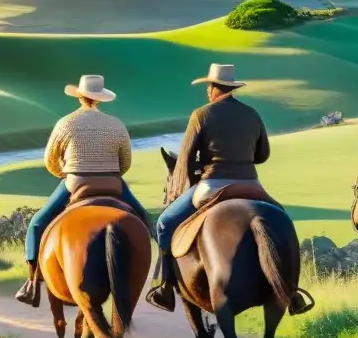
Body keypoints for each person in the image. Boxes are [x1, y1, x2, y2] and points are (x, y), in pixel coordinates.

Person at [146, 63, 306, 314]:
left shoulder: (201, 115)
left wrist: (192, 177)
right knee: (282, 220)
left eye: (209, 87)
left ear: (213, 89)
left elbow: (185, 161)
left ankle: (166, 287)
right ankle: (293, 291)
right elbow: (263, 154)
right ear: (231, 88)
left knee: (165, 223)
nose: (207, 91)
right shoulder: (252, 114)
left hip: (212, 186)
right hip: (251, 185)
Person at [15, 74, 152, 308]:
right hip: (113, 183)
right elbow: (125, 162)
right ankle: (163, 274)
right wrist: (110, 173)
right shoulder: (115, 124)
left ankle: (32, 281)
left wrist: (67, 173)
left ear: (80, 96)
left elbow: (50, 160)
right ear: (100, 100)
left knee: (37, 224)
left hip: (75, 183)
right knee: (145, 219)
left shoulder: (65, 123)